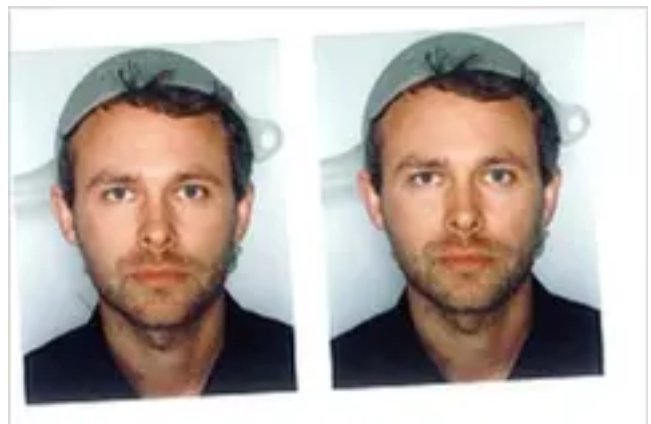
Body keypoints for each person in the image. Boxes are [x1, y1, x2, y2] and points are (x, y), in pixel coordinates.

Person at [24, 48, 296, 403]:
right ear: (66, 215)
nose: (157, 232)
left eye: (191, 191)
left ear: (242, 212)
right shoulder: (19, 394)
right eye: (119, 193)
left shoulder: (318, 373)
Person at [332, 32, 603, 387]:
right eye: (426, 178)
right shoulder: (324, 377)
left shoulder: (629, 355)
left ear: (548, 196)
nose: (464, 216)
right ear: (374, 200)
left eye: (498, 176)